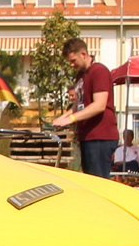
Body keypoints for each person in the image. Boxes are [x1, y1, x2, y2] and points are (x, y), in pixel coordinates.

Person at [51, 37, 118, 178]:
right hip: (87, 136)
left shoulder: (99, 71)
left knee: (98, 182)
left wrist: (71, 119)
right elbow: (79, 104)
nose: (71, 65)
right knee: (89, 179)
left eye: (73, 60)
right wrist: (63, 118)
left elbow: (99, 105)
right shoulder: (81, 76)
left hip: (100, 136)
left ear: (83, 54)